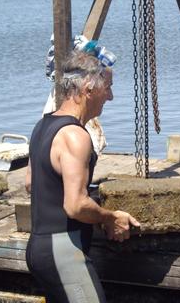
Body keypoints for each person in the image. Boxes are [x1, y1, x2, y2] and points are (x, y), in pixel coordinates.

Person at [25, 51, 140, 303]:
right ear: (89, 88)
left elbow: (31, 183)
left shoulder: (42, 126)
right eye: (107, 88)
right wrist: (110, 217)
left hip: (38, 247)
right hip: (63, 251)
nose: (110, 96)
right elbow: (75, 205)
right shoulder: (75, 135)